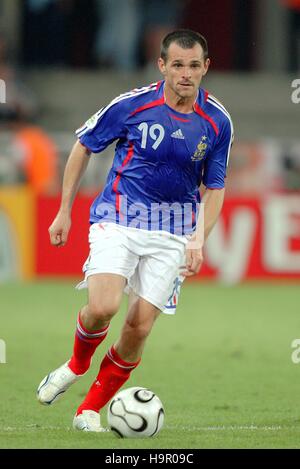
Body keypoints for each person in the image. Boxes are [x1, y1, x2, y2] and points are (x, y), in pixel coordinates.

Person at [36, 29, 233, 432]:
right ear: (162, 66)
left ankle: (88, 410)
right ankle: (76, 364)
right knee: (104, 307)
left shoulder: (218, 121)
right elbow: (83, 146)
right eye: (177, 64)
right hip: (119, 216)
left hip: (174, 231)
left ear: (205, 68)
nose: (186, 74)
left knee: (138, 327)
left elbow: (215, 187)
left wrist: (198, 238)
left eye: (194, 66)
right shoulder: (131, 104)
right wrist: (64, 211)